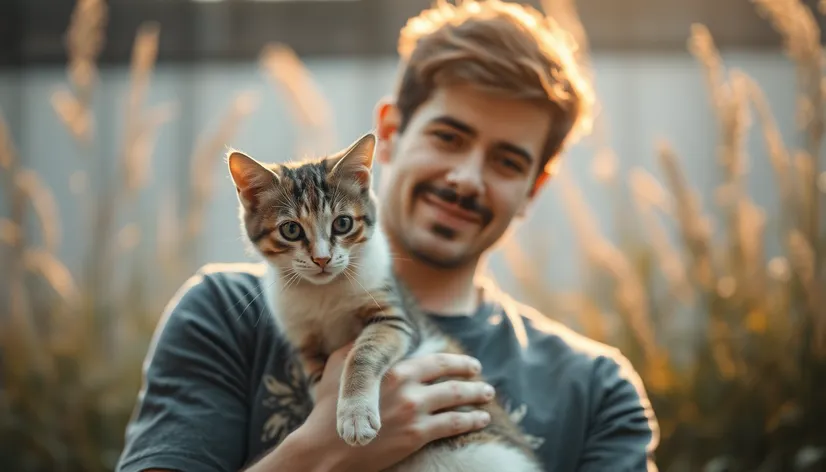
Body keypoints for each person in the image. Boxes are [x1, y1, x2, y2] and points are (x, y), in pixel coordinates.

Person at [115, 1, 659, 471]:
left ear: (535, 188)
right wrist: (320, 456)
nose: (466, 178)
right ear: (392, 133)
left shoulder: (598, 390)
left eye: (507, 161)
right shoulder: (222, 312)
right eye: (449, 137)